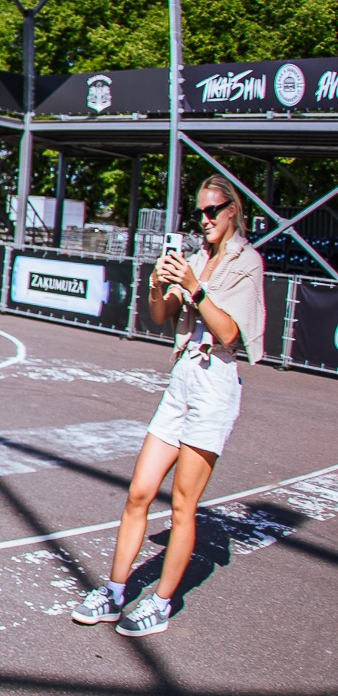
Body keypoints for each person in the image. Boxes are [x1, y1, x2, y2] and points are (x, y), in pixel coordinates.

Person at [74, 177, 265, 637]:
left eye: (213, 210)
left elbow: (229, 333)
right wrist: (158, 283)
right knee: (139, 491)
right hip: (182, 379)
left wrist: (195, 288)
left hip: (215, 383)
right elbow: (160, 315)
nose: (205, 219)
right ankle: (114, 593)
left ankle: (160, 604)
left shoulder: (247, 261)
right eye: (199, 212)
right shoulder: (195, 257)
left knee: (182, 505)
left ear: (233, 209)